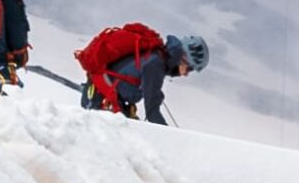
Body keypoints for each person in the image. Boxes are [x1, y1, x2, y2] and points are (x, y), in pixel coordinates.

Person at [75, 25, 205, 125]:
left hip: (101, 95)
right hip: (101, 99)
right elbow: (152, 111)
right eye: (190, 69)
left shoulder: (156, 56)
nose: (187, 74)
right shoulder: (156, 63)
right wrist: (170, 135)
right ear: (183, 58)